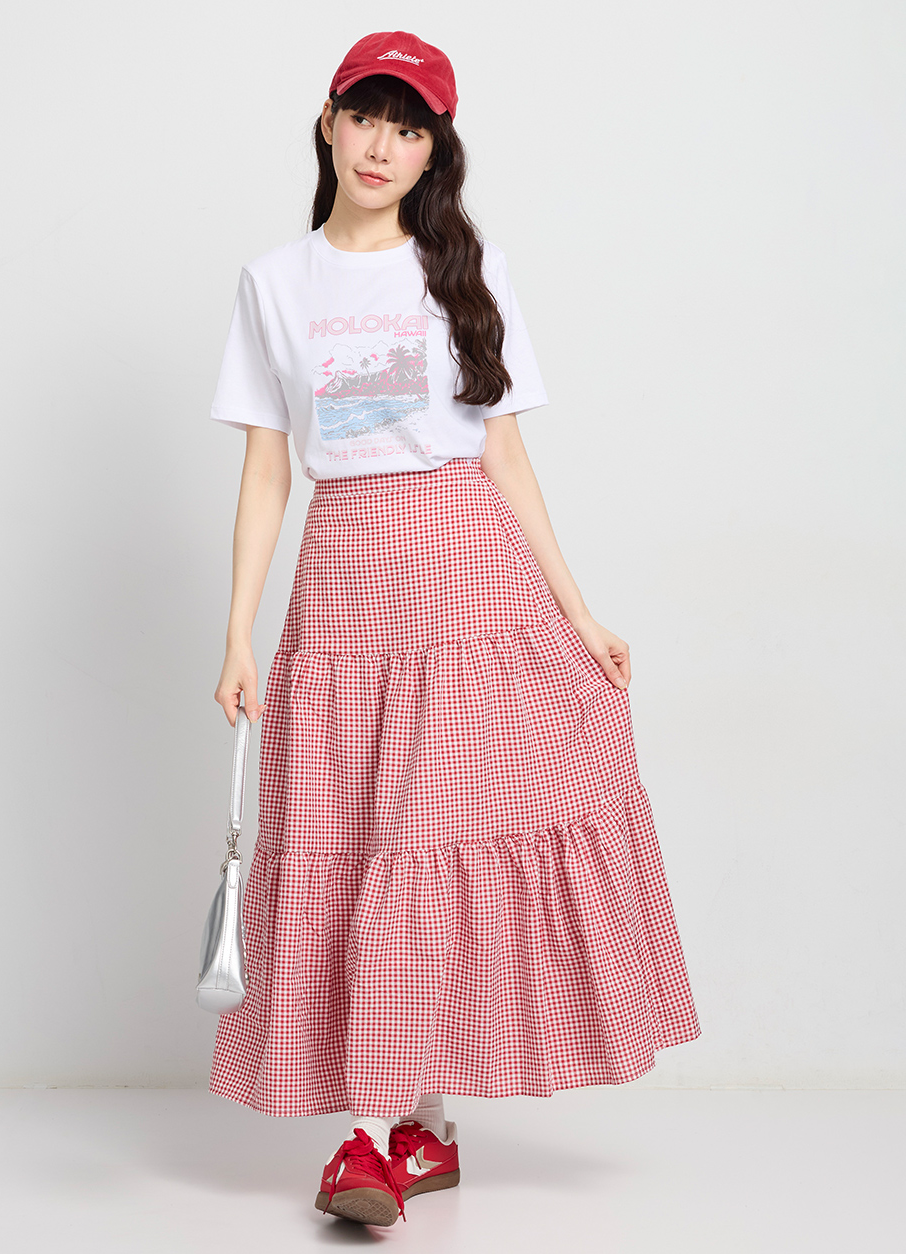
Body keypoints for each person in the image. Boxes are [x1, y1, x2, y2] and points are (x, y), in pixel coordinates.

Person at [207, 30, 700, 1228]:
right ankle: (421, 1128)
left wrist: (577, 611)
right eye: (365, 118)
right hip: (345, 581)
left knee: (431, 840)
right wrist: (238, 633)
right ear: (327, 124)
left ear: (434, 152)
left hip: (471, 577)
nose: (381, 146)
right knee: (361, 838)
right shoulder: (274, 283)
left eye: (409, 128)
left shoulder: (465, 273)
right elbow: (268, 469)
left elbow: (506, 457)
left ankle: (371, 1138)